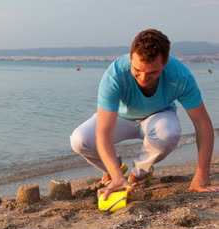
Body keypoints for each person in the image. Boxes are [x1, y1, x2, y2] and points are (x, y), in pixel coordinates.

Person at [70, 29, 218, 200]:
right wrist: (117, 177)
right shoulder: (115, 75)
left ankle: (139, 173)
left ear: (165, 62)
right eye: (138, 70)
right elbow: (104, 132)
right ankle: (114, 170)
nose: (143, 78)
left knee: (167, 133)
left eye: (153, 72)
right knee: (80, 140)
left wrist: (201, 176)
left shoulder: (180, 76)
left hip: (159, 116)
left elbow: (202, 124)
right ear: (131, 57)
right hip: (121, 117)